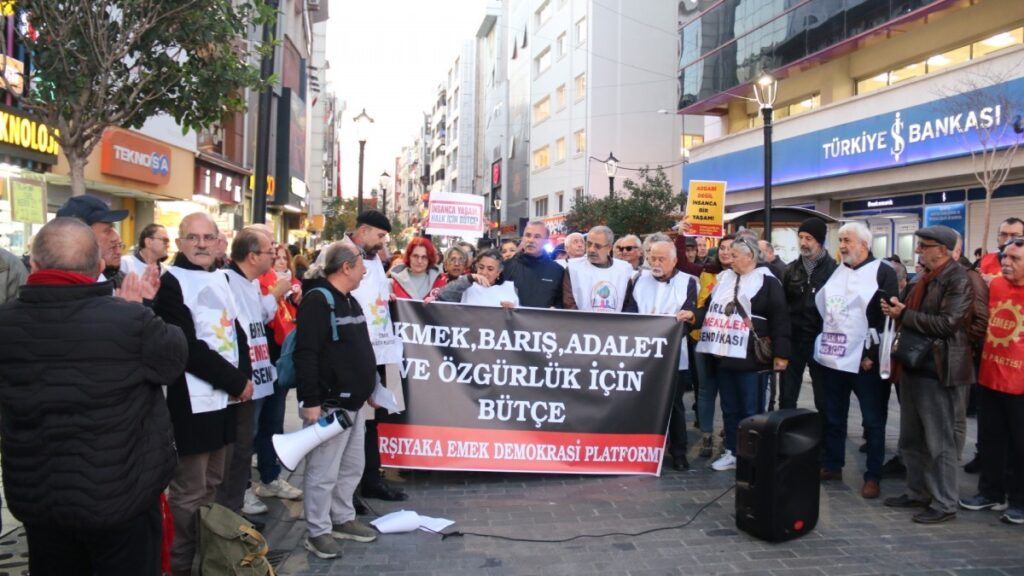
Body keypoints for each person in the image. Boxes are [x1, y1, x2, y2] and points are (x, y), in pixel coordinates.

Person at [0, 218, 185, 575]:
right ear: (98, 266)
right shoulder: (131, 321)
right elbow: (173, 359)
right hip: (121, 497)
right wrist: (139, 308)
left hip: (39, 497)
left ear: (34, 264)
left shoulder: (5, 322)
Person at [153, 213, 254, 574]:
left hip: (224, 402)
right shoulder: (171, 282)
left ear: (218, 242)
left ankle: (206, 559)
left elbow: (236, 332)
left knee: (213, 483)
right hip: (190, 403)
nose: (200, 244)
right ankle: (180, 564)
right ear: (180, 243)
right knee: (189, 491)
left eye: (207, 237)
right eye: (192, 238)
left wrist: (244, 378)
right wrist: (235, 381)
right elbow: (187, 347)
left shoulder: (221, 277)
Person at [882, 225, 974, 524]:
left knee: (939, 441)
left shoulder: (958, 279)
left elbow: (948, 323)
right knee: (911, 438)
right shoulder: (925, 278)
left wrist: (904, 315)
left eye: (924, 246)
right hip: (914, 363)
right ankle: (917, 491)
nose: (918, 250)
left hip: (938, 369)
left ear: (942, 250)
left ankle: (944, 502)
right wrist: (899, 309)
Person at [294, 242, 379, 559]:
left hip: (354, 402)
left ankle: (342, 518)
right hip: (330, 403)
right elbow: (306, 353)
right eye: (361, 265)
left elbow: (360, 348)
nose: (365, 270)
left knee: (351, 466)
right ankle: (318, 531)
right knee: (323, 470)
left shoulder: (349, 300)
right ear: (346, 267)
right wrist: (311, 400)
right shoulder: (318, 301)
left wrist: (371, 387)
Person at [814, 223, 898, 499]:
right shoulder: (838, 271)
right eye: (840, 240)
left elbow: (887, 319)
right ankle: (833, 464)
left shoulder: (882, 272)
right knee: (833, 414)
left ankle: (873, 475)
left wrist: (873, 355)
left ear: (864, 244)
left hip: (865, 360)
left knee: (873, 420)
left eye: (847, 240)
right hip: (835, 357)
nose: (842, 245)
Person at [216, 228, 292, 517]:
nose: (274, 256)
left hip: (260, 370)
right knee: (242, 439)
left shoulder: (249, 282)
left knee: (255, 433)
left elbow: (259, 314)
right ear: (251, 256)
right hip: (244, 375)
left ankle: (244, 491)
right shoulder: (226, 281)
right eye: (269, 251)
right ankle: (240, 493)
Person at [697, 237, 790, 471]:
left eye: (734, 255)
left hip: (752, 358)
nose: (729, 258)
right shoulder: (724, 279)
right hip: (724, 355)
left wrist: (781, 354)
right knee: (729, 407)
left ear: (749, 257)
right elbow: (708, 310)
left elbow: (780, 318)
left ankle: (752, 454)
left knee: (751, 409)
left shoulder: (768, 282)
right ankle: (732, 450)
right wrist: (693, 317)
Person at [335, 211, 409, 504]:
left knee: (371, 419)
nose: (382, 243)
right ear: (363, 230)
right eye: (379, 236)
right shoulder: (337, 253)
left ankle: (370, 479)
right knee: (352, 420)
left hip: (377, 349)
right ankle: (347, 489)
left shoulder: (374, 258)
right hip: (352, 349)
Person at [958, 236, 1024, 525]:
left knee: (1020, 447)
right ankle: (990, 492)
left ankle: (1019, 501)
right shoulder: (994, 286)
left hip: (1020, 386)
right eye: (1004, 257)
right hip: (990, 376)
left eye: (1015, 259)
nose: (1006, 263)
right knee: (990, 440)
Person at [622, 239, 698, 471]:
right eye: (652, 258)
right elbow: (630, 312)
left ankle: (679, 452)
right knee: (641, 403)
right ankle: (641, 450)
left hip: (673, 355)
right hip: (642, 355)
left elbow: (689, 317)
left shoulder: (688, 282)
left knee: (674, 405)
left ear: (674, 261)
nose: (655, 263)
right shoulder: (639, 280)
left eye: (661, 259)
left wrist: (666, 336)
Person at [253, 243, 305, 502]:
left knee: (273, 420)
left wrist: (295, 299)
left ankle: (270, 477)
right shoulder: (256, 283)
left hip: (278, 361)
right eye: (274, 257)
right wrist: (274, 294)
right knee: (253, 424)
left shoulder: (292, 287)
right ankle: (243, 487)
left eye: (283, 258)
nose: (280, 262)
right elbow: (256, 317)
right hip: (258, 362)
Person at [780, 217, 837, 411]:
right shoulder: (790, 270)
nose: (803, 243)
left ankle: (824, 428)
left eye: (809, 238)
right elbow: (782, 306)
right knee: (787, 395)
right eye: (801, 237)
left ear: (819, 241)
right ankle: (787, 426)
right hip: (794, 339)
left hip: (820, 339)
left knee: (824, 396)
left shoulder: (834, 271)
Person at [690, 234, 735, 458]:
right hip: (704, 339)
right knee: (706, 390)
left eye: (730, 248)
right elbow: (700, 303)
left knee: (728, 392)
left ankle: (729, 434)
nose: (725, 252)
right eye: (722, 248)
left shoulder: (747, 276)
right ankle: (706, 435)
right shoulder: (707, 272)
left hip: (729, 344)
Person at [56, 195, 128, 284]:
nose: (115, 236)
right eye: (107, 230)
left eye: (112, 227)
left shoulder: (119, 280)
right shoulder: (61, 284)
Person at [563, 225, 634, 312]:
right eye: (589, 244)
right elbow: (569, 304)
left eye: (597, 246)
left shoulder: (623, 270)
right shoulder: (574, 269)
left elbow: (628, 305)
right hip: (580, 320)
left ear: (609, 248)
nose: (591, 249)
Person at [501, 221, 565, 308]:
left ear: (546, 241)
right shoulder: (506, 267)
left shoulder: (557, 271)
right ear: (523, 238)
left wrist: (556, 310)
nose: (531, 240)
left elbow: (562, 304)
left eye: (537, 237)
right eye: (528, 235)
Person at [433, 249, 518, 307]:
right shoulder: (466, 284)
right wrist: (469, 278)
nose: (484, 272)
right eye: (481, 267)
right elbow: (443, 296)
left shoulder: (509, 289)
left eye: (490, 269)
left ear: (499, 271)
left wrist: (512, 311)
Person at [978, 217, 1023, 282]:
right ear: (998, 237)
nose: (1008, 239)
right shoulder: (986, 259)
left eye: (1014, 235)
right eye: (1003, 234)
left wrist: (994, 282)